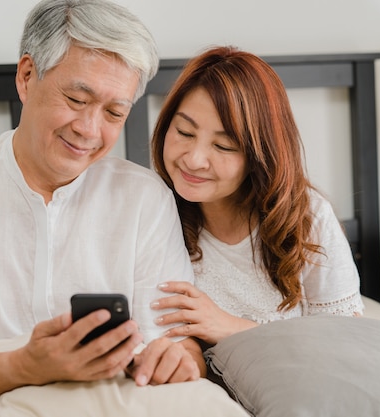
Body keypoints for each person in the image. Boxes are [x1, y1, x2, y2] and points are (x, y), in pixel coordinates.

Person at [0, 0, 204, 401]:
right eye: (75, 99)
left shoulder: (145, 200)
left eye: (114, 112)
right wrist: (25, 366)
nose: (89, 130)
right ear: (26, 76)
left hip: (113, 401)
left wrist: (181, 358)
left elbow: (178, 343)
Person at [150, 46, 365, 346]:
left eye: (223, 146)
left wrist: (232, 327)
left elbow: (346, 342)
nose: (195, 159)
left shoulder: (307, 218)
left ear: (259, 156)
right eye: (185, 132)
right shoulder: (151, 211)